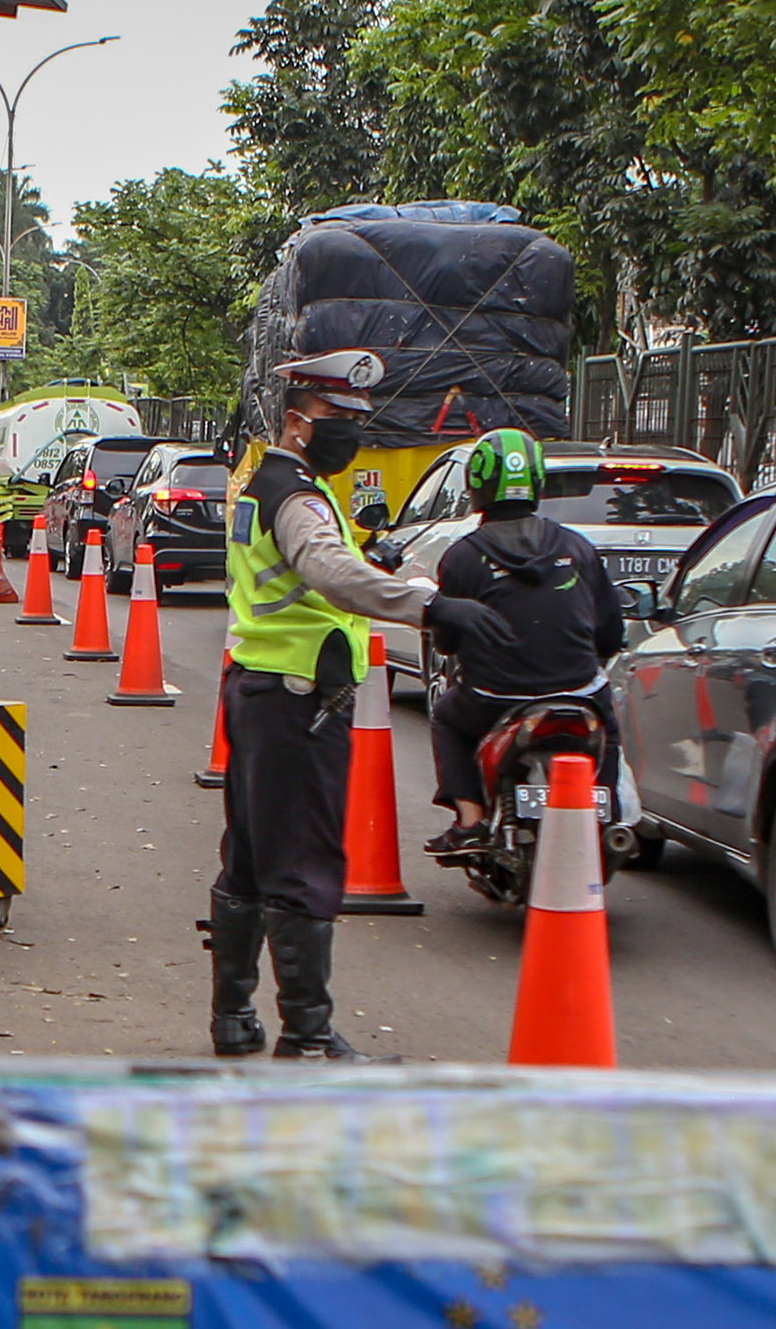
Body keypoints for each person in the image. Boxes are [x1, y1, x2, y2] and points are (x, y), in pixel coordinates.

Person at [210, 348, 512, 1057]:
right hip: (297, 702)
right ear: (297, 421)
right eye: (338, 416)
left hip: (258, 689)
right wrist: (428, 607)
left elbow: (319, 569)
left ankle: (234, 1017)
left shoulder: (266, 484)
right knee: (303, 864)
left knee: (250, 858)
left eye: (358, 417)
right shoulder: (299, 496)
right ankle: (308, 1037)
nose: (352, 429)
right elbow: (329, 573)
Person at [417, 429, 629, 852]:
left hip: (493, 697)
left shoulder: (462, 556)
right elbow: (611, 633)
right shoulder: (578, 546)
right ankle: (606, 811)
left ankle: (470, 819)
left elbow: (446, 644)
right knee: (610, 729)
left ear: (477, 484)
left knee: (445, 715)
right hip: (581, 693)